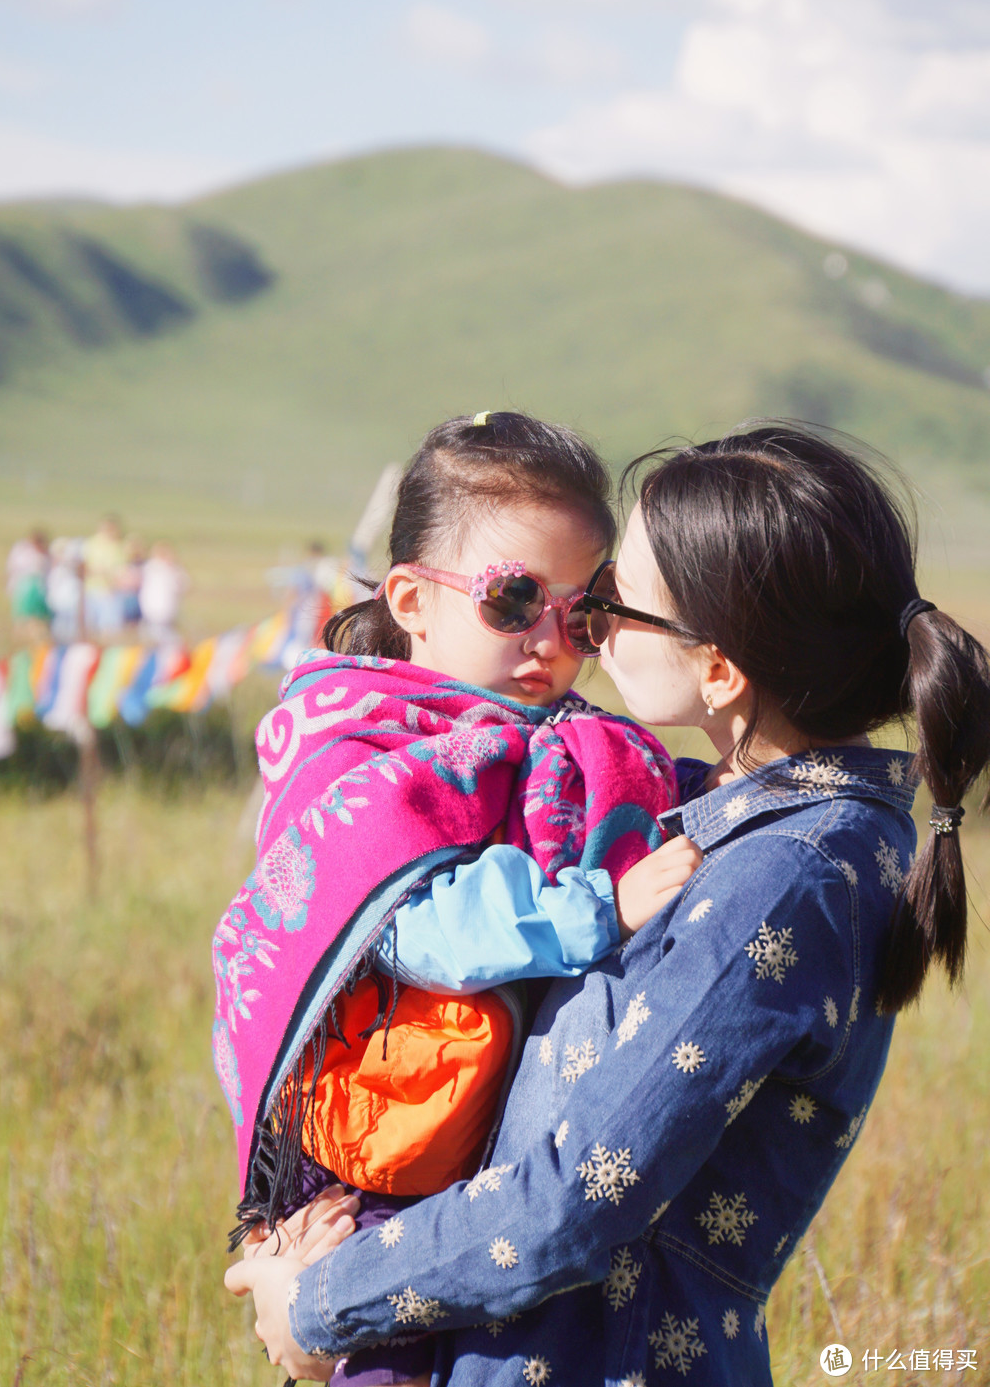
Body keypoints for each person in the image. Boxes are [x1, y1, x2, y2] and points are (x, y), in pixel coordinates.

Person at [226, 422, 990, 1386]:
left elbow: (570, 1202)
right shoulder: (730, 822)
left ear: (719, 668)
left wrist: (322, 1300)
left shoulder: (786, 878)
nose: (581, 631)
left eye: (608, 602)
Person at [213, 412, 702, 1387]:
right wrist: (600, 910)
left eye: (579, 612)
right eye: (514, 599)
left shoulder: (565, 745)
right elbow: (425, 926)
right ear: (413, 600)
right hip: (389, 1151)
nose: (548, 642)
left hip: (506, 1154)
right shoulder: (359, 753)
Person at [82, 514, 127, 637]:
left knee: (109, 627)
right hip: (92, 589)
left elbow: (121, 571)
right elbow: (85, 566)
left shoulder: (119, 546)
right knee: (91, 625)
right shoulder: (92, 544)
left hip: (110, 591)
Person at [138, 541, 189, 645]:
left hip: (164, 610)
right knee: (158, 634)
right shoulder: (152, 567)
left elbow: (184, 585)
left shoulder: (172, 570)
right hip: (154, 609)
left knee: (161, 635)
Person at [6, 530, 51, 627]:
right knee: (23, 616)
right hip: (25, 586)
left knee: (36, 617)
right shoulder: (22, 551)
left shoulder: (43, 554)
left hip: (36, 587)